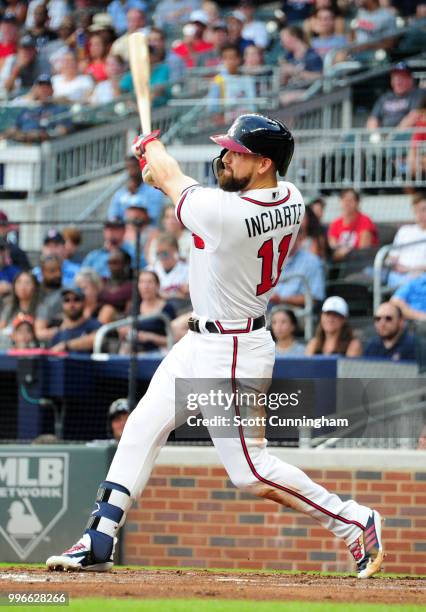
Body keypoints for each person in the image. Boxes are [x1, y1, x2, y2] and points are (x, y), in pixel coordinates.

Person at [47, 113, 384, 579]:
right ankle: (100, 536)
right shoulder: (291, 197)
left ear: (264, 163)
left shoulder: (229, 214)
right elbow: (181, 183)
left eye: (236, 153)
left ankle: (353, 520)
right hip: (202, 340)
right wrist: (159, 168)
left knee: (250, 471)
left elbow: (171, 177)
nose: (224, 158)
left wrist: (150, 148)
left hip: (232, 350)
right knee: (142, 425)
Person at [118, 270, 176, 355]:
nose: (146, 286)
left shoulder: (167, 309)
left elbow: (175, 339)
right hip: (136, 352)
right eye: (142, 282)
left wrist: (150, 337)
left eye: (150, 282)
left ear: (157, 286)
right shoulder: (134, 308)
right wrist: (124, 332)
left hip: (160, 353)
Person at [270, 224, 325, 308]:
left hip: (296, 314)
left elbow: (314, 298)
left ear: (299, 238)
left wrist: (281, 299)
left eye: (289, 236)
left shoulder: (312, 261)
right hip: (269, 312)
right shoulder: (270, 259)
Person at [5, 74, 72, 143]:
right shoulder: (27, 109)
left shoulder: (59, 109)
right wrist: (7, 135)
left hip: (45, 146)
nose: (44, 90)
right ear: (36, 90)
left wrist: (43, 135)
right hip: (20, 145)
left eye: (47, 87)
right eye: (41, 87)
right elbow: (14, 128)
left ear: (52, 90)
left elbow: (63, 130)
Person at [108, 156, 165, 226]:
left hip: (147, 231)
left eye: (134, 167)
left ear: (141, 167)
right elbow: (113, 216)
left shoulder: (154, 191)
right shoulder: (120, 194)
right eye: (128, 168)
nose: (131, 171)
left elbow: (153, 216)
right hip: (124, 232)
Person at [366, 63, 423, 130]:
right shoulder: (385, 97)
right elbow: (373, 119)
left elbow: (414, 116)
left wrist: (394, 136)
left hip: (406, 136)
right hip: (384, 136)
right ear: (391, 80)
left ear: (410, 80)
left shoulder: (418, 94)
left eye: (402, 77)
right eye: (395, 77)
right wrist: (375, 135)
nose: (398, 81)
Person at [328, 188, 379, 262]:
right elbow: (332, 245)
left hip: (358, 262)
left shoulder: (365, 221)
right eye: (344, 200)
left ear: (357, 203)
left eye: (351, 200)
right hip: (339, 262)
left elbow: (363, 249)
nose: (347, 203)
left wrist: (346, 252)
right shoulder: (335, 223)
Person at [387, 192, 426, 288]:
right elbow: (391, 258)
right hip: (398, 275)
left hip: (421, 276)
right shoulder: (404, 230)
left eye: (424, 210)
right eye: (416, 211)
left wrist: (411, 270)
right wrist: (394, 266)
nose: (420, 215)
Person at [279, 25, 323, 106]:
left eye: (283, 38)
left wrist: (295, 71)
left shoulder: (312, 56)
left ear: (294, 37)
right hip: (291, 92)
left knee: (287, 99)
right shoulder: (287, 57)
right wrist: (283, 75)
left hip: (309, 93)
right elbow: (282, 83)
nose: (282, 43)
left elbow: (319, 77)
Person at [49, 286, 101, 353]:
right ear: (62, 304)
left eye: (76, 299)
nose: (71, 304)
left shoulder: (94, 324)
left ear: (84, 303)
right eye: (67, 300)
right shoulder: (58, 335)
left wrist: (66, 346)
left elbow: (97, 340)